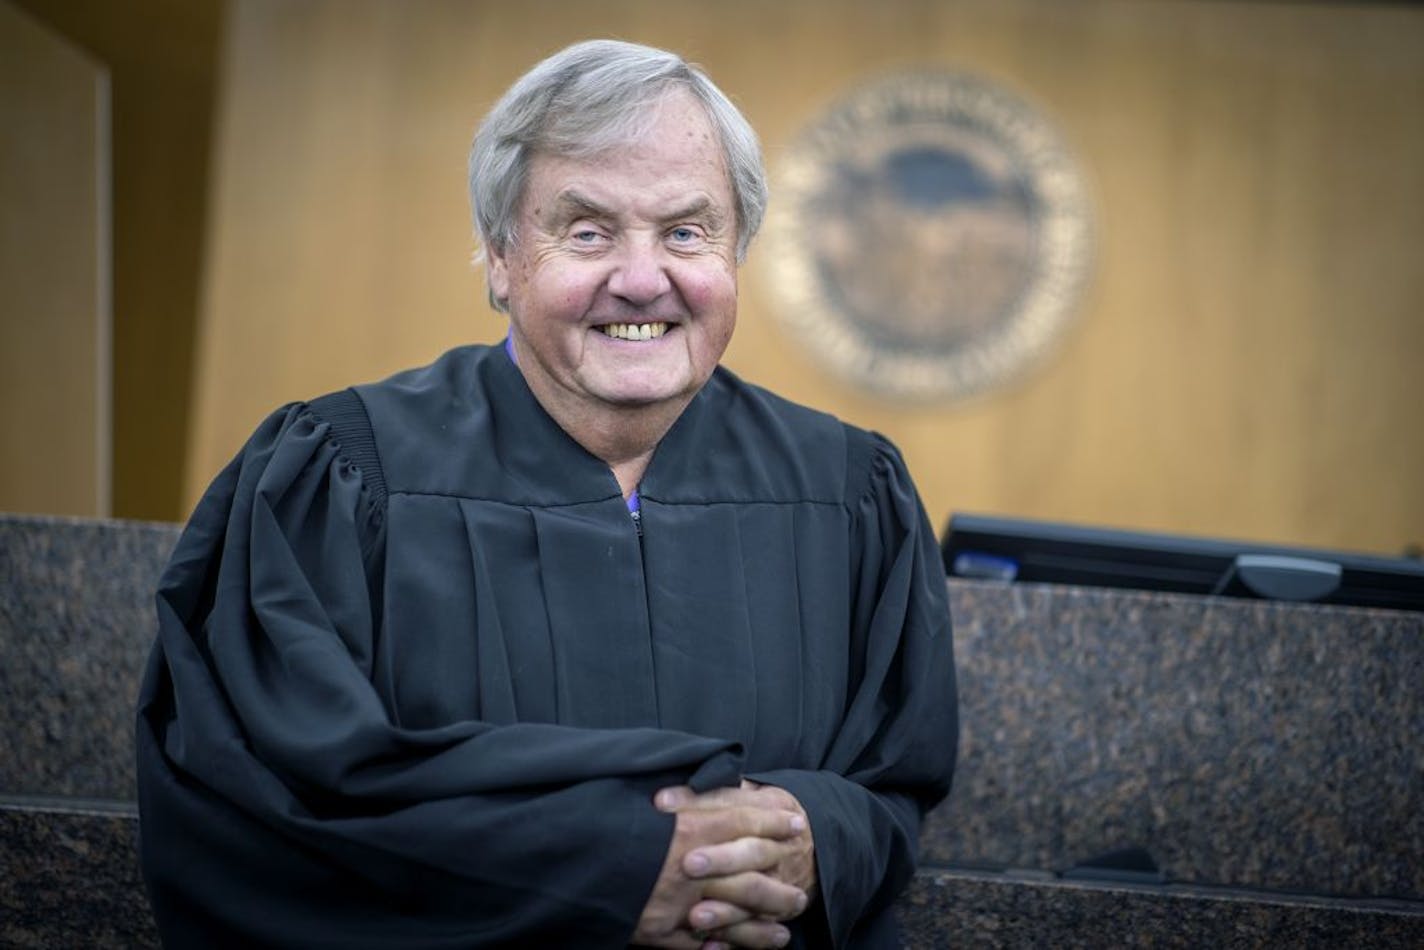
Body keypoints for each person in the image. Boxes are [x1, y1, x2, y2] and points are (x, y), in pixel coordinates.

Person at [136, 39, 957, 949]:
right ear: (499, 257)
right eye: (588, 231)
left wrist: (812, 840)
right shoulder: (338, 476)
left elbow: (895, 785)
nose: (643, 279)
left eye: (687, 232)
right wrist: (606, 874)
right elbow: (259, 798)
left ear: (738, 256)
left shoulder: (848, 493)